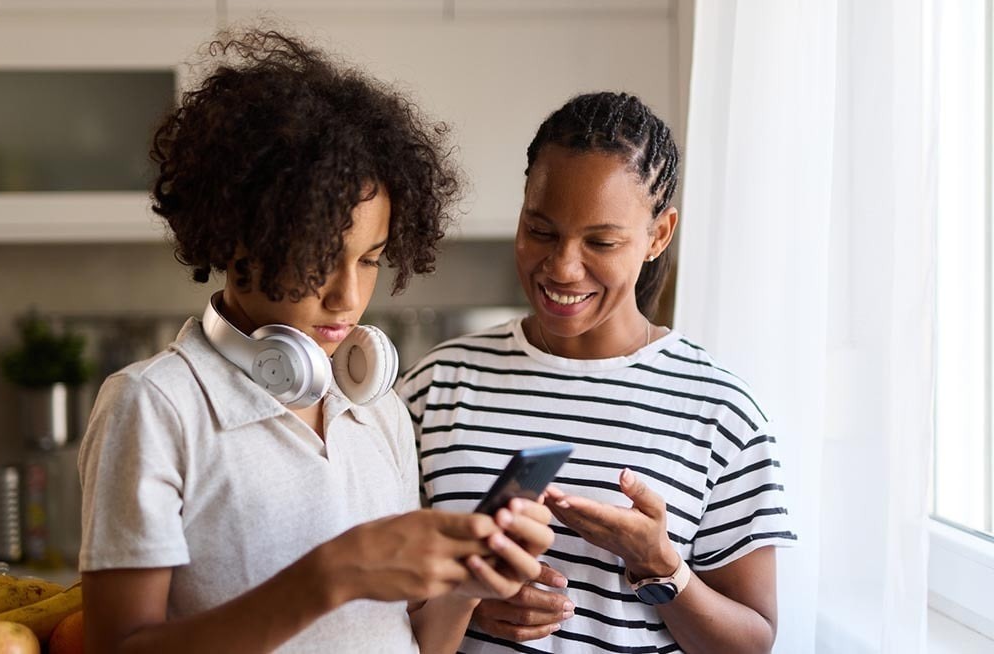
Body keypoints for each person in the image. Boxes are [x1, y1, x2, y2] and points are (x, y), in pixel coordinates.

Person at [77, 29, 555, 654]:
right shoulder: (155, 406)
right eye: (317, 257)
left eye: (370, 260)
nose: (346, 297)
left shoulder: (376, 408)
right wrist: (331, 575)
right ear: (233, 236)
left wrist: (467, 587)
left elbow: (412, 643)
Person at [398, 91, 797, 653]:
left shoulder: (721, 413)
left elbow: (751, 644)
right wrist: (470, 605)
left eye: (601, 241)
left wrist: (661, 566)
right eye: (540, 230)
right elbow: (373, 603)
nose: (561, 266)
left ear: (658, 235)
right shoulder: (435, 387)